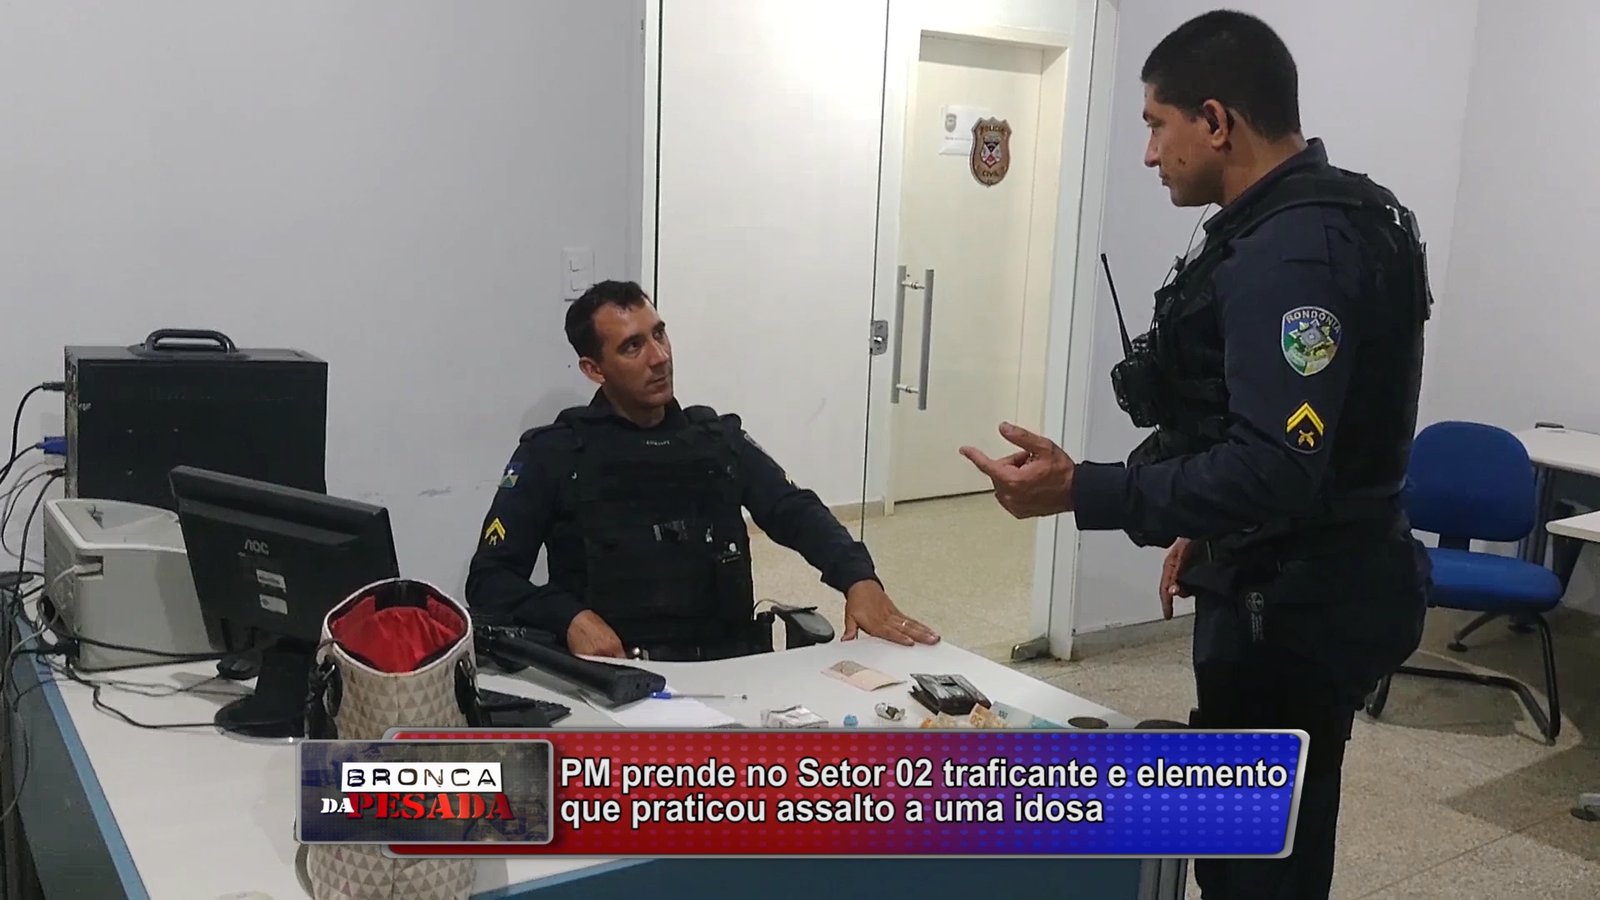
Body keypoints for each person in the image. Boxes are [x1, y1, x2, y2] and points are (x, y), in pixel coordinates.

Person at [959, 11, 1432, 900]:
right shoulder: (1327, 219)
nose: (1148, 154)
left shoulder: (1293, 257)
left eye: (1155, 125)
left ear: (1215, 121)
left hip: (1295, 611)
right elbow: (1278, 432)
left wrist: (1086, 489)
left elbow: (1275, 467)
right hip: (1297, 574)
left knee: (1259, 862)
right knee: (1268, 834)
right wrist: (1204, 528)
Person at [466, 279, 938, 661]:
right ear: (594, 369)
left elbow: (793, 509)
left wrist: (858, 577)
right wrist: (567, 618)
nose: (659, 357)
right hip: (621, 677)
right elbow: (490, 580)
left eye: (659, 334)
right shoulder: (555, 454)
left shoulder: (715, 439)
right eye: (632, 347)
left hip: (732, 669)